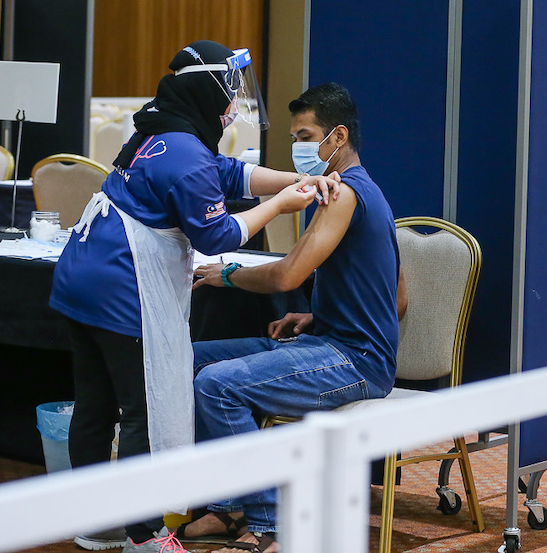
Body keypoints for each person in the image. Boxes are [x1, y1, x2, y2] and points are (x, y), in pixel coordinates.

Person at [50, 40, 339, 553]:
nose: (232, 104)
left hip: (81, 277)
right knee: (139, 409)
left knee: (94, 405)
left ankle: (92, 521)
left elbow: (229, 174)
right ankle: (144, 534)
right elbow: (218, 237)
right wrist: (279, 206)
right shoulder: (183, 151)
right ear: (208, 90)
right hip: (121, 285)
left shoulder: (159, 129)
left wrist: (295, 180)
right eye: (229, 91)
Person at [178, 82, 407, 553]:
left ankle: (267, 524)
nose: (298, 149)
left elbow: (284, 276)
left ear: (337, 137)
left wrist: (229, 273)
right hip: (327, 344)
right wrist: (317, 314)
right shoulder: (366, 194)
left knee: (217, 384)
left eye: (306, 137)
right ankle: (227, 506)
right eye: (295, 139)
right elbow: (397, 297)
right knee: (188, 361)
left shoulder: (345, 195)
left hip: (355, 362)